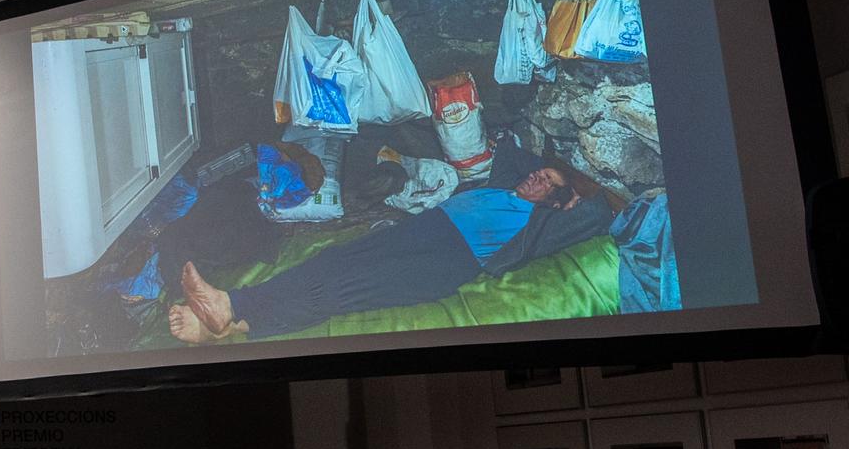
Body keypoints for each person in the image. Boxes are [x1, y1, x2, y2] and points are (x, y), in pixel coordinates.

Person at [167, 140, 613, 344]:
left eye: (546, 182)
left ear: (555, 200)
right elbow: (519, 153)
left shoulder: (536, 221)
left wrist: (572, 196)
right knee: (329, 263)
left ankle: (232, 308)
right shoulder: (503, 182)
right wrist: (550, 171)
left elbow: (598, 213)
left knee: (340, 289)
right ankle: (229, 322)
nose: (536, 177)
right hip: (421, 231)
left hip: (445, 259)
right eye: (540, 173)